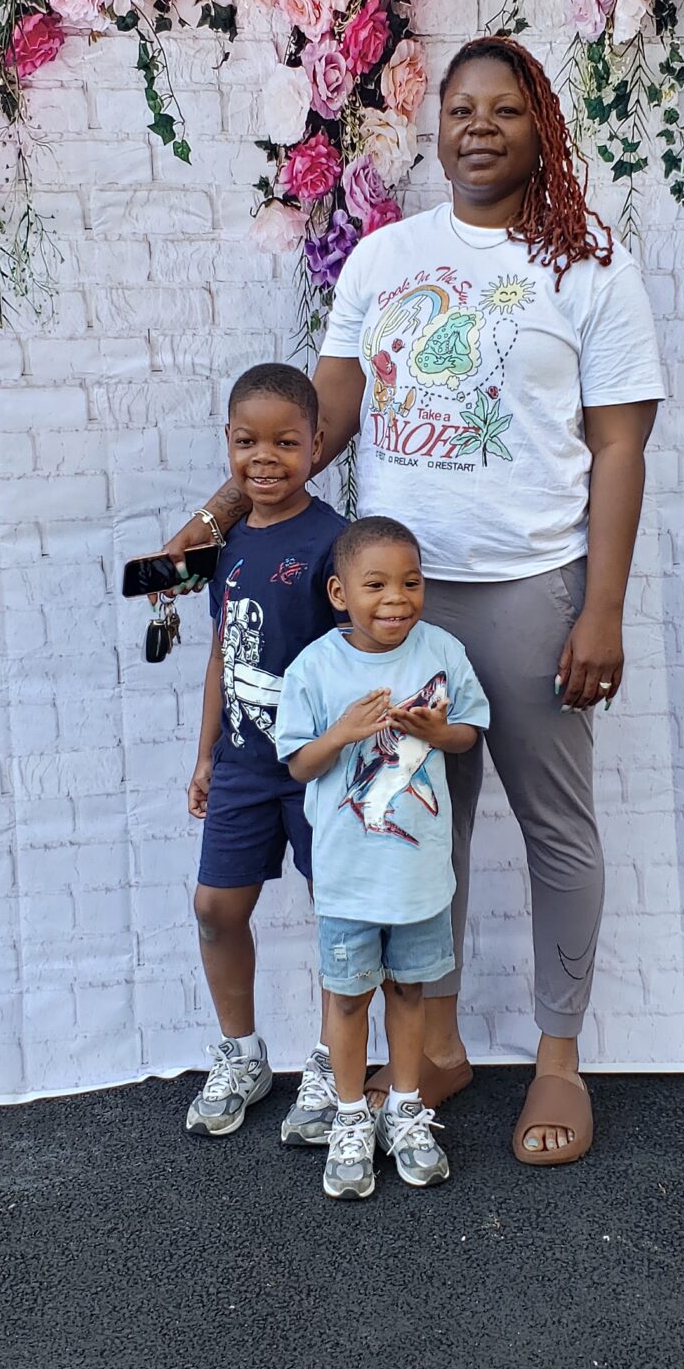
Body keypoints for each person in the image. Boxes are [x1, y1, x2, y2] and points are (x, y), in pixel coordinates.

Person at [163, 36, 662, 1164]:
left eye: (504, 109)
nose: (479, 128)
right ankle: (432, 1046)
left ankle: (557, 1058)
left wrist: (602, 609)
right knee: (415, 827)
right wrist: (218, 517)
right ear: (437, 127)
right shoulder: (385, 257)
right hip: (389, 613)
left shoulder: (592, 269)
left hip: (531, 591)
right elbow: (322, 422)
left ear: (542, 129)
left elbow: (619, 447)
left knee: (554, 827)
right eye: (461, 109)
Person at [276, 515, 489, 1201]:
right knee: (347, 999)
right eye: (376, 585)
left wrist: (438, 731)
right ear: (339, 594)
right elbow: (300, 765)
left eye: (411, 582)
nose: (397, 597)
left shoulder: (442, 651)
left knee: (409, 991)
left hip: (419, 878)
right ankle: (348, 1116)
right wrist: (342, 733)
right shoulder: (315, 668)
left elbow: (467, 734)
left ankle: (403, 1108)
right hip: (348, 880)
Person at [184, 362, 345, 1146]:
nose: (265, 458)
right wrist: (206, 754)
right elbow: (222, 651)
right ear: (228, 443)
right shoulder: (229, 544)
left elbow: (355, 657)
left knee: (338, 917)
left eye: (285, 442)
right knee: (216, 908)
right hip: (244, 767)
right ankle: (242, 1055)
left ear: (318, 444)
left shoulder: (335, 542)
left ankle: (334, 1065)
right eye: (248, 441)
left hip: (319, 769)